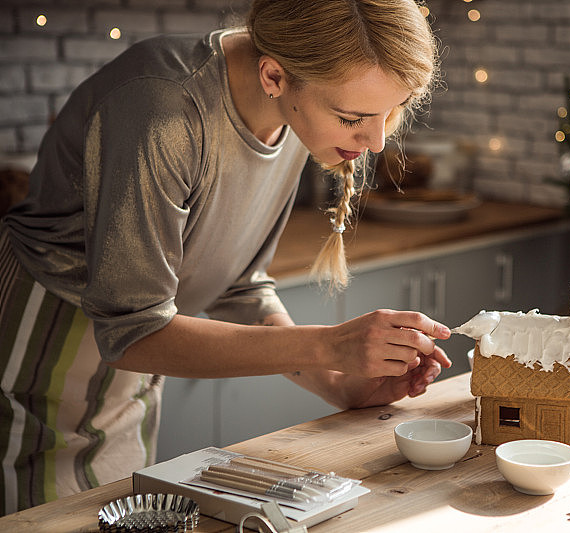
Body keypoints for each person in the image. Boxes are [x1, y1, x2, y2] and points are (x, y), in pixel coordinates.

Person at [0, 0, 449, 514]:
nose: (376, 141)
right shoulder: (162, 112)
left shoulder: (291, 112)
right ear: (274, 75)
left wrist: (341, 385)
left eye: (390, 112)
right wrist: (331, 347)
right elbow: (131, 333)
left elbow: (236, 283)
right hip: (35, 369)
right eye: (353, 118)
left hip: (133, 383)